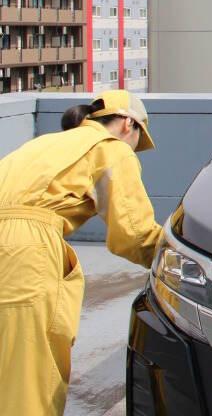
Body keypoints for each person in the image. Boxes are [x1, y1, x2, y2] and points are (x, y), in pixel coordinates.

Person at [0, 90, 163, 415]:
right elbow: (134, 234)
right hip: (22, 249)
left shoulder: (44, 144)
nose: (134, 150)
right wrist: (173, 258)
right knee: (29, 371)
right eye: (137, 141)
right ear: (128, 124)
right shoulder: (110, 148)